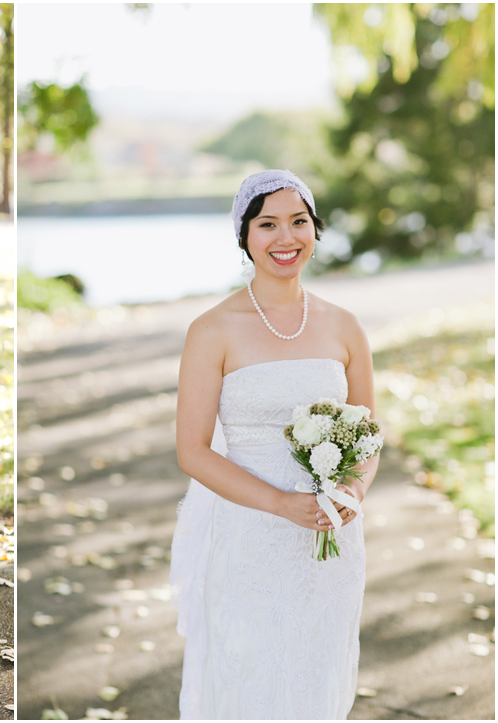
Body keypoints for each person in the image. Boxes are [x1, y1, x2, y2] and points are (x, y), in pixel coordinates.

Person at [169, 170, 380, 719]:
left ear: (315, 230)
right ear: (244, 236)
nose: (285, 239)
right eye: (268, 224)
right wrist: (282, 504)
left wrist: (352, 493)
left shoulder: (345, 326)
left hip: (329, 541)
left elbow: (369, 435)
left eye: (298, 222)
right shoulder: (212, 330)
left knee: (318, 675)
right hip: (249, 538)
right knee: (250, 678)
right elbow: (192, 451)